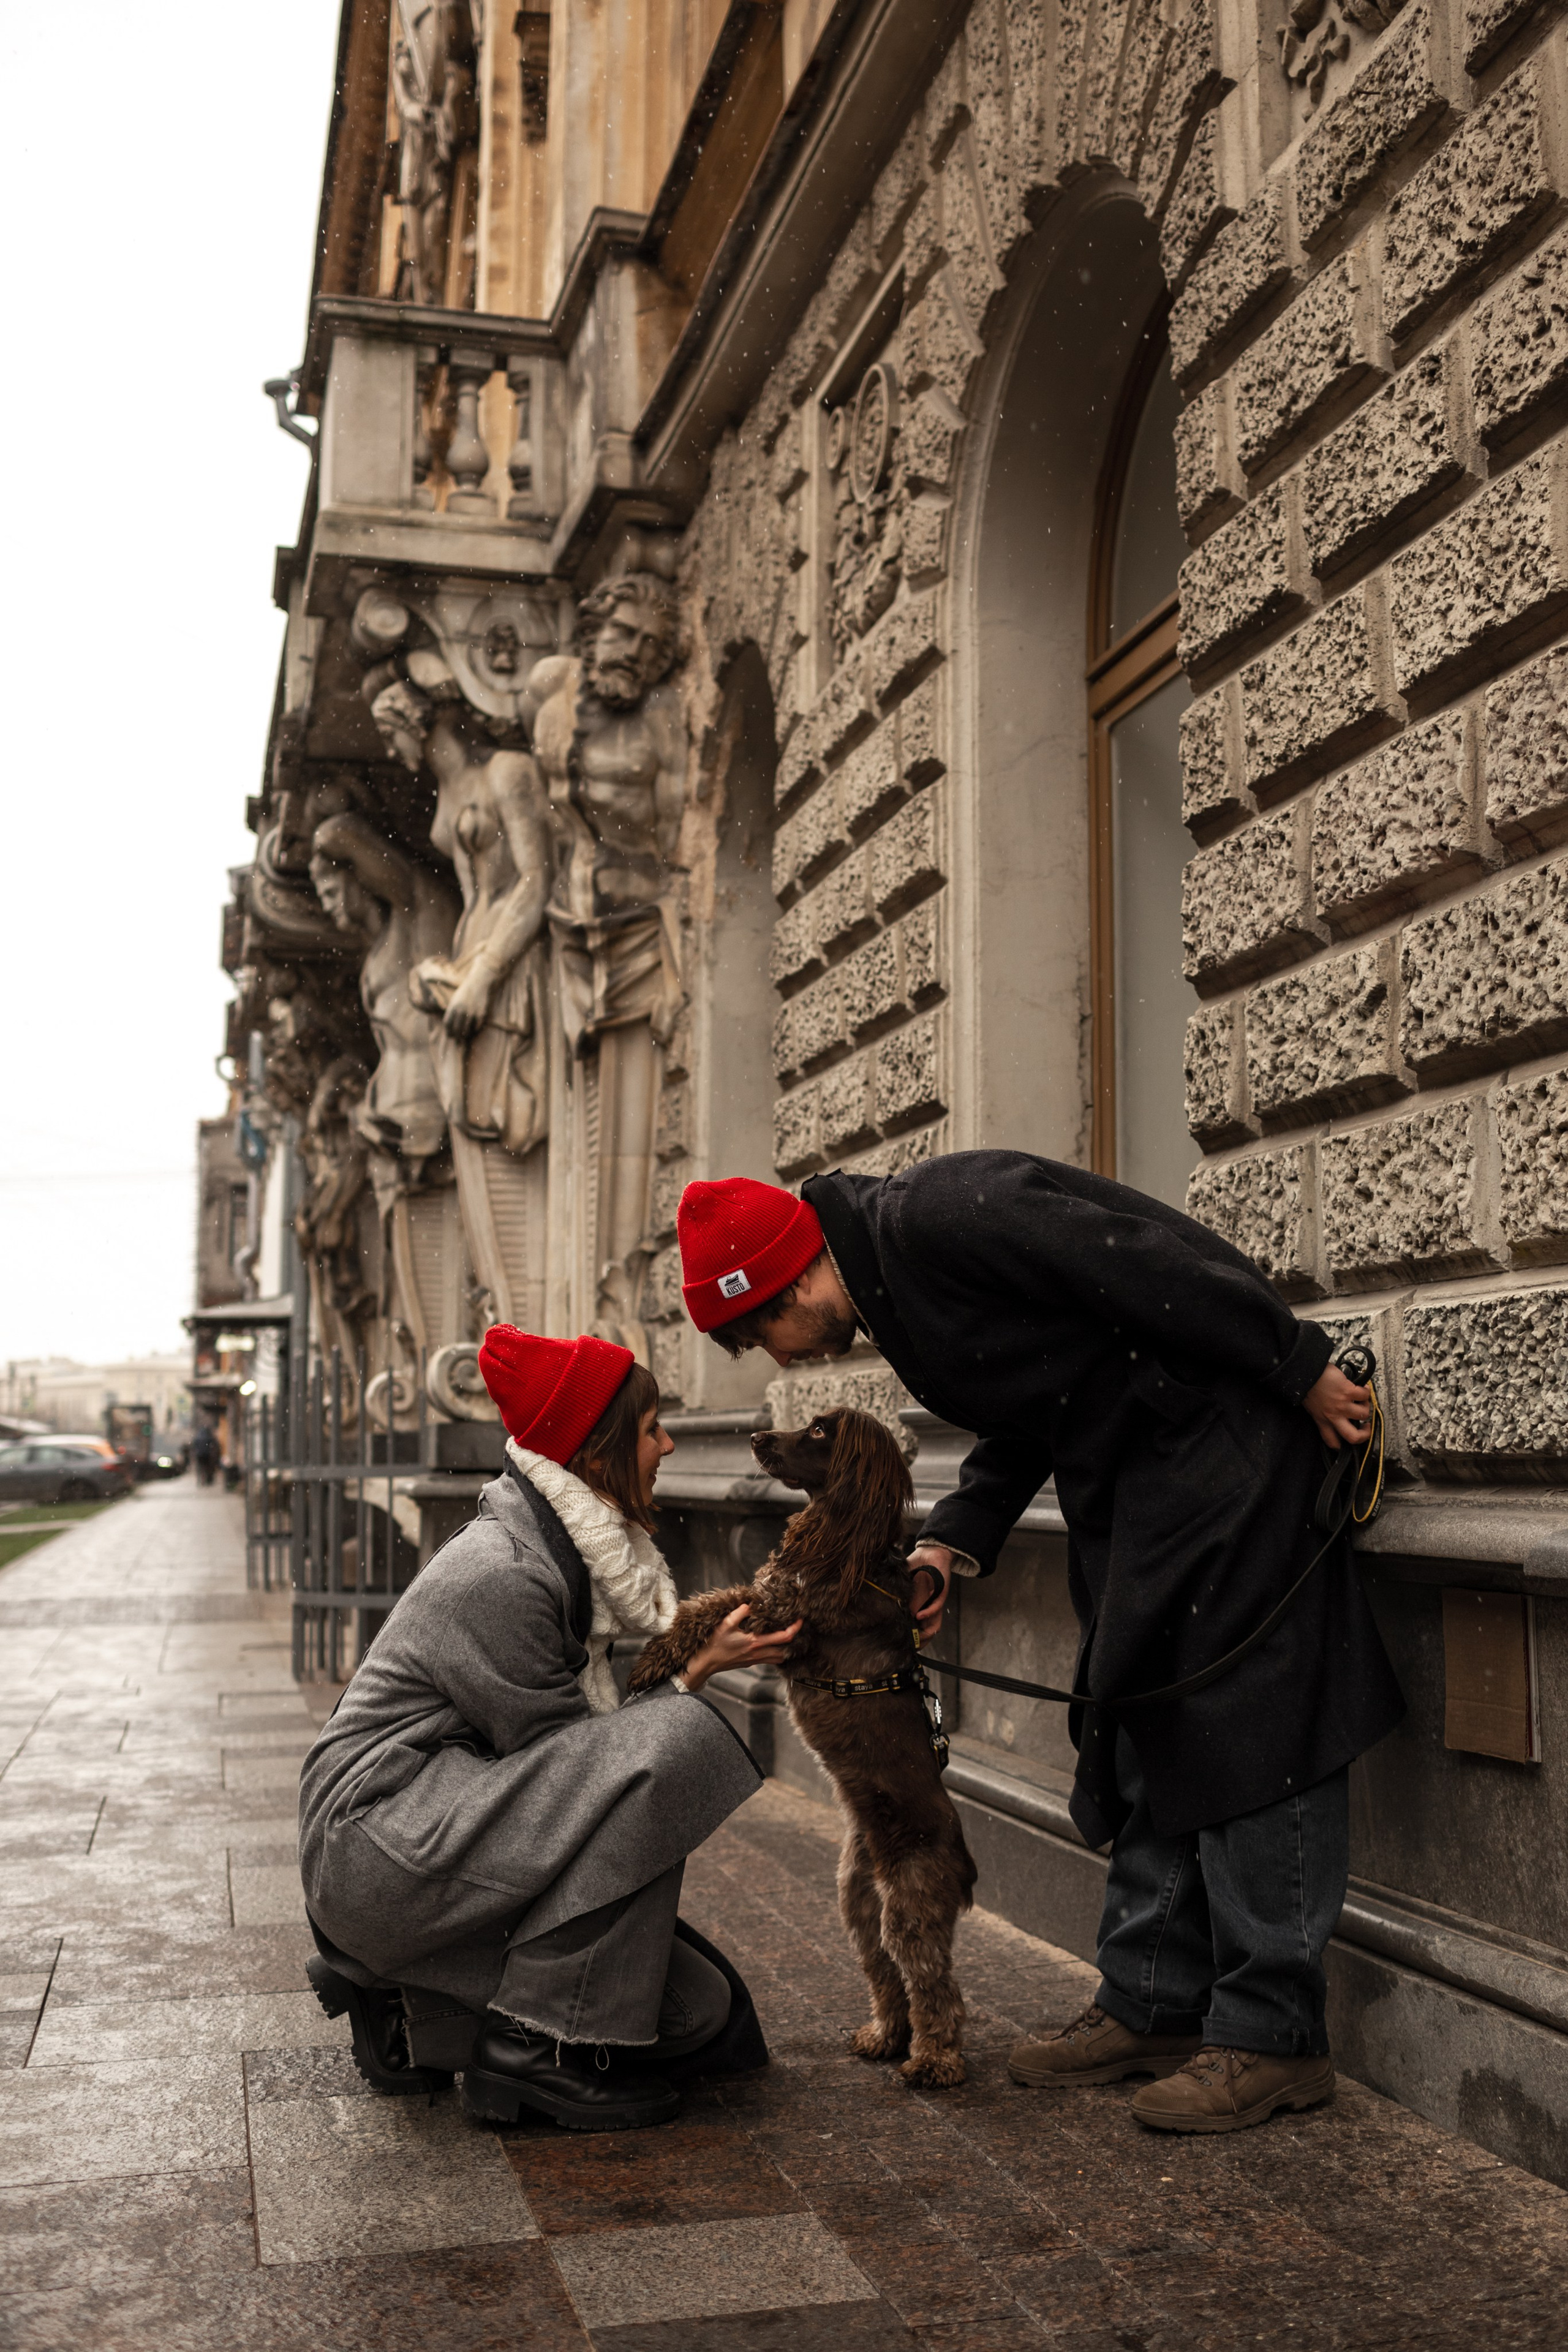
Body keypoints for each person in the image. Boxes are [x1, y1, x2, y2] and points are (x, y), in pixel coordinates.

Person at [674, 1159, 1404, 2136]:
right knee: (1140, 1718)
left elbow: (1142, 1259)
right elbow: (1039, 1406)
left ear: (791, 1276)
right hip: (1146, 1488)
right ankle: (1149, 2004)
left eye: (759, 1329)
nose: (774, 1357)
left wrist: (1297, 1365)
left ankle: (1274, 2040)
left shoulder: (934, 1218)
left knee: (1256, 1734)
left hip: (1228, 1462)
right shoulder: (893, 1283)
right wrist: (951, 1538)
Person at [297, 1326, 797, 2132]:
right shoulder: (504, 1573)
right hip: (381, 1845)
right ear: (596, 1454)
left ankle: (409, 2001)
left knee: (702, 2020)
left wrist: (695, 1665)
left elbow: (570, 1771)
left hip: (439, 1826)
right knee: (679, 1744)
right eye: (650, 1429)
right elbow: (578, 1780)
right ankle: (530, 2049)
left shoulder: (551, 1551)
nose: (669, 1444)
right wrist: (687, 1685)